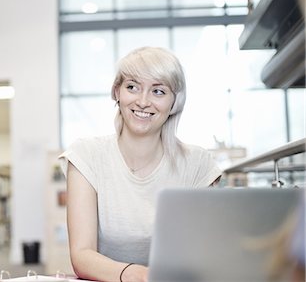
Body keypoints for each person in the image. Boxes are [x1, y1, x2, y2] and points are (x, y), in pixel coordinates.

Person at [59, 47, 222, 282]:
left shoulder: (197, 163)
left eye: (158, 91)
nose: (143, 102)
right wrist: (140, 276)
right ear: (117, 92)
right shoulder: (86, 154)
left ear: (174, 102)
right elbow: (82, 256)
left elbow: (206, 252)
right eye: (132, 87)